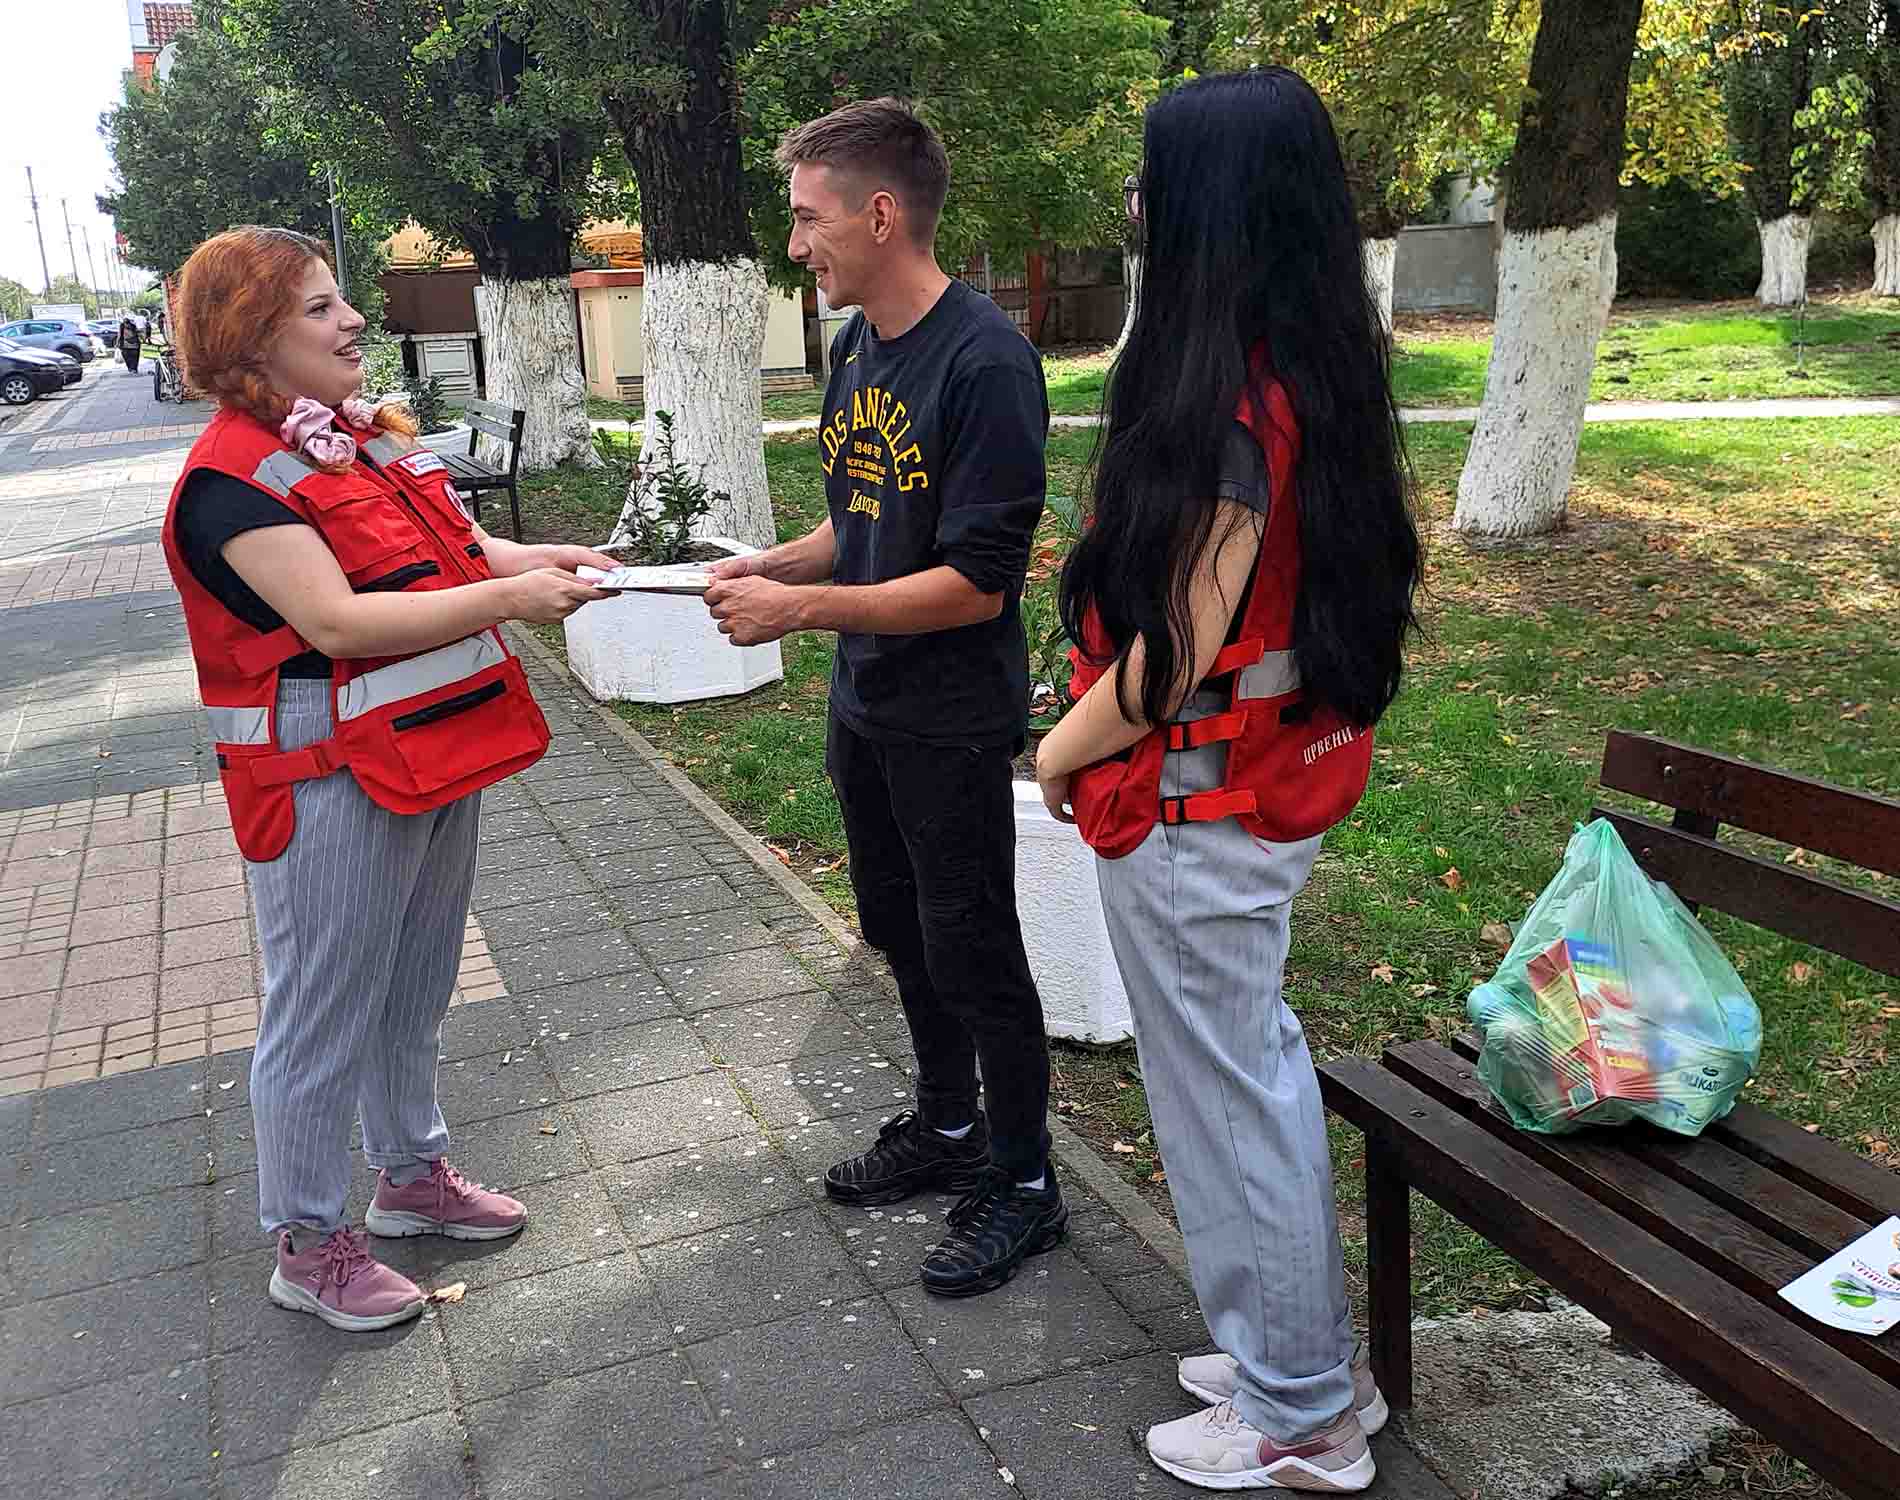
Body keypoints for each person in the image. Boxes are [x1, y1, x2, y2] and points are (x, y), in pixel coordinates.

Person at [1034, 70, 1423, 1491]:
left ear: (1208, 206)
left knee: (1226, 1097)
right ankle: (1301, 1356)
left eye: (1152, 178)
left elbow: (1175, 654)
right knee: (1243, 1078)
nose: (1135, 201)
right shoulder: (1306, 370)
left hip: (1197, 813)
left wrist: (1053, 750)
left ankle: (1300, 1412)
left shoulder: (1228, 411)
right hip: (1250, 801)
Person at [162, 226, 616, 1332]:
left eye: (341, 299)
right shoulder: (232, 479)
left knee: (414, 984)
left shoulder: (347, 443)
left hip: (427, 751)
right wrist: (512, 601)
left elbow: (453, 555)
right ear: (250, 339)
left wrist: (543, 561)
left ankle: (411, 1177)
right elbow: (336, 621)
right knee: (321, 1011)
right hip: (324, 775)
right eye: (319, 307)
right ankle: (308, 1243)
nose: (353, 318)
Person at [703, 99, 1063, 1297]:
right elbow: (857, 516)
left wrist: (798, 611)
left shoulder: (985, 363)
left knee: (973, 946)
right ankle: (949, 1126)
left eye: (807, 218)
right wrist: (769, 568)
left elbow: (973, 585)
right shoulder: (857, 346)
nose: (794, 244)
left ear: (879, 214)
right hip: (866, 703)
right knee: (901, 933)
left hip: (949, 715)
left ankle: (1025, 1181)